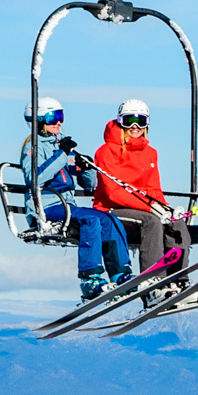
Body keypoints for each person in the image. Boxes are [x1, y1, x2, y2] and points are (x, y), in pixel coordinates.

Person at [21, 98, 132, 300]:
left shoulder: (61, 146)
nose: (59, 122)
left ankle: (120, 273)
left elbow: (89, 186)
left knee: (109, 219)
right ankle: (90, 279)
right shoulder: (33, 148)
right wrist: (62, 154)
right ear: (38, 120)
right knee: (91, 220)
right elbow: (35, 178)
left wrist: (86, 168)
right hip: (46, 206)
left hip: (66, 206)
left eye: (61, 116)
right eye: (53, 117)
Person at [93, 98, 198, 303]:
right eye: (129, 120)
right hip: (112, 209)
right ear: (120, 121)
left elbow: (153, 188)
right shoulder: (107, 151)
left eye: (140, 121)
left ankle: (177, 280)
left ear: (147, 124)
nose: (135, 127)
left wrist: (164, 208)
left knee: (175, 223)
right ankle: (151, 283)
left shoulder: (150, 153)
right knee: (151, 222)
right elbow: (113, 192)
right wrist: (151, 207)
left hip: (145, 207)